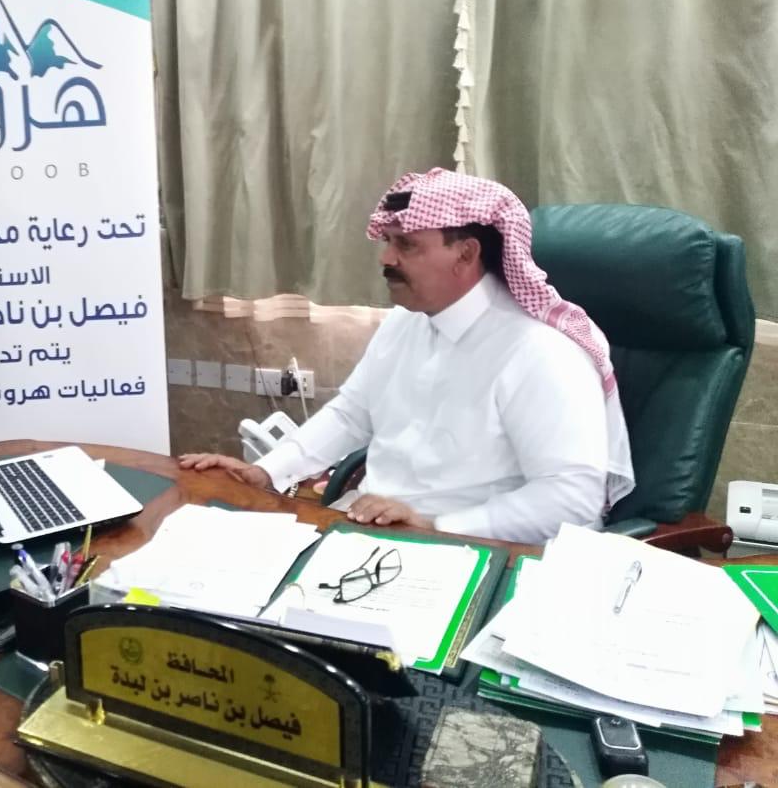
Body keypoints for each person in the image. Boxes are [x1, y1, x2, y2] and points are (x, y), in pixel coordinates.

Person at [180, 167, 634, 545]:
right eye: (388, 241)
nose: (386, 258)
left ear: (466, 254)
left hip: (473, 549)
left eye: (406, 245)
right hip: (373, 530)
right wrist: (266, 472)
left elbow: (570, 501)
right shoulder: (406, 321)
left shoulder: (540, 352)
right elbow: (351, 414)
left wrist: (435, 525)